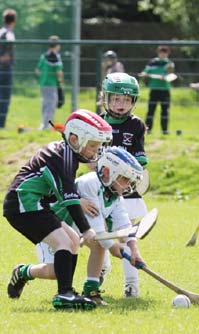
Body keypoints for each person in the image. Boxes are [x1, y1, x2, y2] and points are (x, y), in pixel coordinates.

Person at [4, 109, 113, 310]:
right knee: (64, 241)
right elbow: (70, 198)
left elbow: (67, 196)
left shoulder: (68, 156)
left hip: (38, 206)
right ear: (74, 138)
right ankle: (64, 295)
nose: (94, 151)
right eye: (92, 146)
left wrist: (83, 231)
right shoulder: (61, 156)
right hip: (23, 205)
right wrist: (87, 229)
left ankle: (27, 274)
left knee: (71, 242)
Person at [36, 146, 146, 306]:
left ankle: (91, 290)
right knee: (54, 272)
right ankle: (23, 272)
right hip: (56, 228)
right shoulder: (90, 183)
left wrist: (134, 250)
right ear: (109, 172)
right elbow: (96, 229)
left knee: (98, 243)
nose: (128, 185)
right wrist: (113, 247)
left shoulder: (116, 197)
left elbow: (125, 226)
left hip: (82, 232)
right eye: (125, 179)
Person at [86, 72, 148, 298]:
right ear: (106, 99)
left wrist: (134, 173)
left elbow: (140, 160)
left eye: (126, 100)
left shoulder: (136, 125)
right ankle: (102, 268)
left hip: (126, 190)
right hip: (100, 190)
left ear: (133, 101)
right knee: (100, 236)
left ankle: (132, 284)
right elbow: (89, 158)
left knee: (126, 238)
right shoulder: (96, 122)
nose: (121, 105)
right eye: (116, 99)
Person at [139, 45, 175, 135]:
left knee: (165, 111)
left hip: (165, 90)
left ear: (167, 54)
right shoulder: (152, 62)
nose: (162, 54)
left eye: (164, 52)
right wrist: (143, 74)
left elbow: (171, 75)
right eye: (161, 52)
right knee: (151, 110)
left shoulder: (170, 63)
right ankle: (148, 130)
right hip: (154, 89)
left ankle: (165, 131)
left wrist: (166, 77)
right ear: (158, 53)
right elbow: (145, 72)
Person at [35, 35, 64, 130]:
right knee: (51, 104)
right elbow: (59, 71)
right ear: (57, 45)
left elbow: (37, 71)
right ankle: (46, 125)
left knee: (45, 103)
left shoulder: (44, 56)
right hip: (51, 84)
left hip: (43, 83)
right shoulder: (56, 56)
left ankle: (44, 123)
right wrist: (60, 80)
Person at [0, 8, 16, 128]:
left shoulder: (0, 32)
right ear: (14, 21)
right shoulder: (9, 34)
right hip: (5, 69)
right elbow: (8, 53)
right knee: (4, 98)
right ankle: (1, 125)